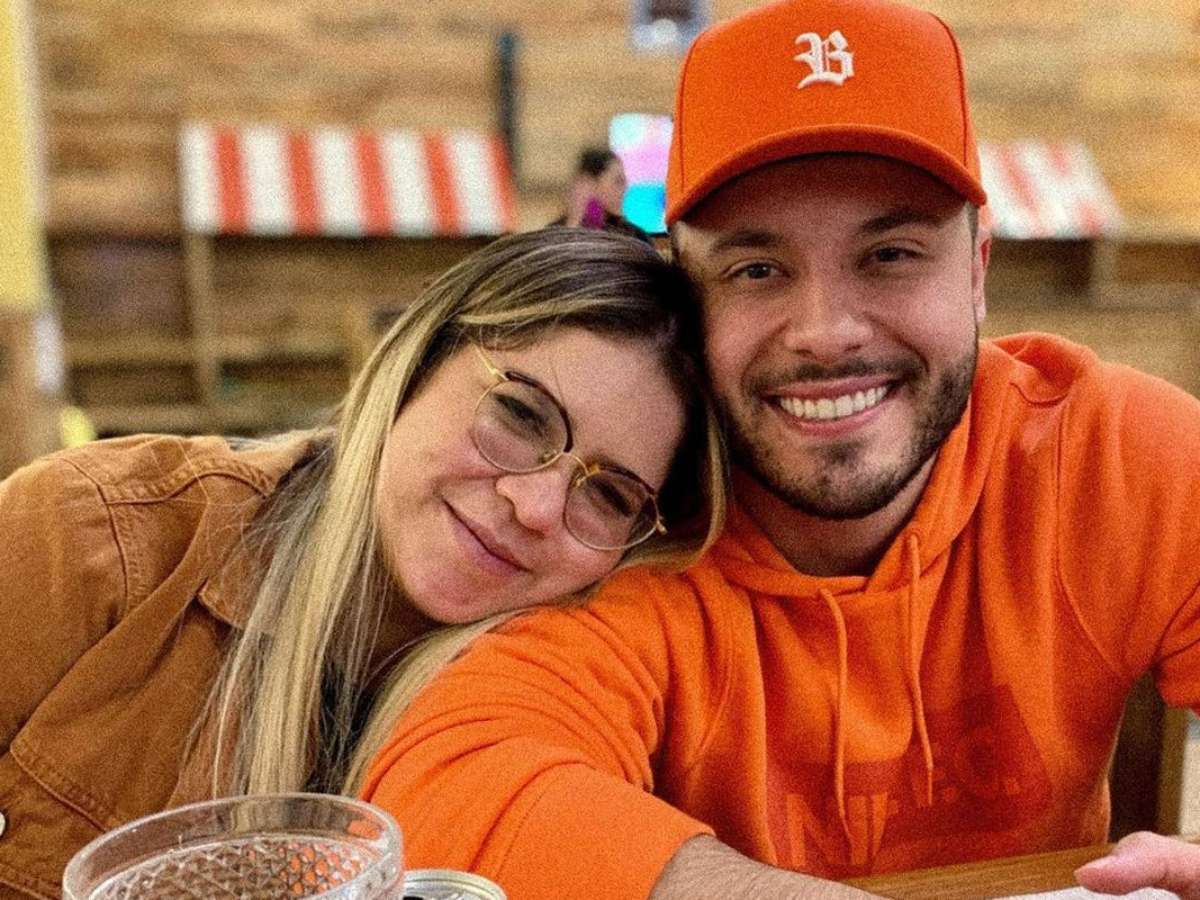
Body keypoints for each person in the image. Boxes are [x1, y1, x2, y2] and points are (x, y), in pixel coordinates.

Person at [358, 1, 1200, 898]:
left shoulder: (1105, 454)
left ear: (976, 271)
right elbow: (442, 790)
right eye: (756, 270)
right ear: (690, 301)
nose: (826, 333)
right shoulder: (632, 519)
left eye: (891, 255)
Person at [0, 227, 727, 898]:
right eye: (520, 415)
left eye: (607, 495)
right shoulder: (97, 531)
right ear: (413, 364)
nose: (534, 505)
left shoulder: (587, 705)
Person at [552, 146, 655, 245]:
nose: (625, 189)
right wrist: (575, 220)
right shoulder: (554, 233)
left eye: (625, 182)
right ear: (590, 184)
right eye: (618, 181)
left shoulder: (636, 237)